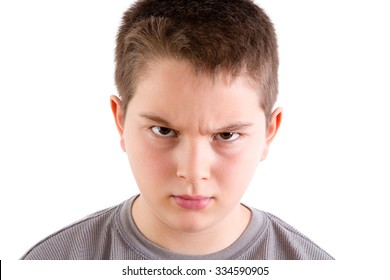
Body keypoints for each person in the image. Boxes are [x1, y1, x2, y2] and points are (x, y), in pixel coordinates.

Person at [22, 0, 333, 260]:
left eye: (226, 135)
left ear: (269, 133)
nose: (193, 172)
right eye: (163, 130)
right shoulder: (50, 263)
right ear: (120, 121)